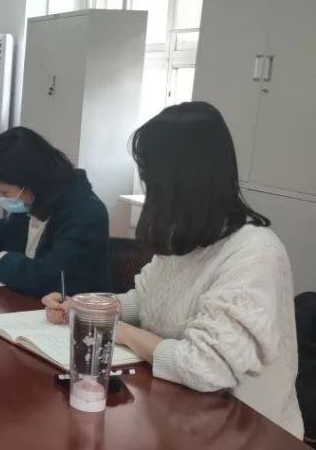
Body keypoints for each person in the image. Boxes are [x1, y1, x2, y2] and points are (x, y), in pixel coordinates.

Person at [43, 102, 303, 437]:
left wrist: (115, 330)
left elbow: (205, 366)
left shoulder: (254, 253)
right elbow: (143, 302)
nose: (149, 190)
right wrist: (84, 307)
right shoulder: (186, 238)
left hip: (246, 429)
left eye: (151, 179)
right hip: (179, 414)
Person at [0, 127, 110, 297]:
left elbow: (50, 278)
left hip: (68, 309)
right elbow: (2, 231)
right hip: (25, 301)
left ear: (30, 181)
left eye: (5, 192)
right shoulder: (35, 199)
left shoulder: (86, 213)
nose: (2, 198)